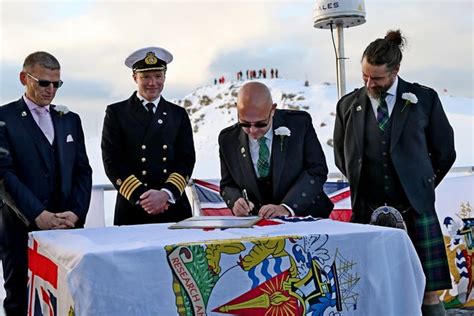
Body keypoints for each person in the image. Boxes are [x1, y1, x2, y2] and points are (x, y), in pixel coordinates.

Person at [333, 30, 455, 315]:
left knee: (427, 292)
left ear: (396, 70)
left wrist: (421, 185)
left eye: (376, 78)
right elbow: (342, 156)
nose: (369, 83)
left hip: (415, 208)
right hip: (367, 210)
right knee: (372, 289)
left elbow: (445, 151)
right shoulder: (348, 105)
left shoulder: (424, 99)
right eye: (364, 76)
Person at [0, 51, 92, 315]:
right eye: (44, 83)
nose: (51, 90)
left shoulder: (70, 119)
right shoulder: (4, 119)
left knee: (67, 299)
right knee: (20, 299)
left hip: (66, 231)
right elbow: (4, 175)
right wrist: (37, 215)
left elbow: (83, 171)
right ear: (23, 78)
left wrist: (75, 213)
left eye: (57, 84)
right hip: (21, 230)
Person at [101, 46, 195, 226]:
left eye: (158, 76)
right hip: (133, 208)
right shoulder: (117, 113)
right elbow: (112, 160)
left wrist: (166, 194)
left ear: (165, 77)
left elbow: (187, 159)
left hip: (173, 206)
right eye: (146, 77)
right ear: (135, 77)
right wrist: (143, 198)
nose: (152, 82)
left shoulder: (178, 114)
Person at [219, 81, 333, 219]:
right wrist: (236, 201)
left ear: (272, 110)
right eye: (245, 124)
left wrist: (287, 207)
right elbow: (227, 184)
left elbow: (316, 170)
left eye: (261, 124)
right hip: (257, 224)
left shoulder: (299, 124)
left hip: (306, 217)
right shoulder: (228, 139)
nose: (253, 131)